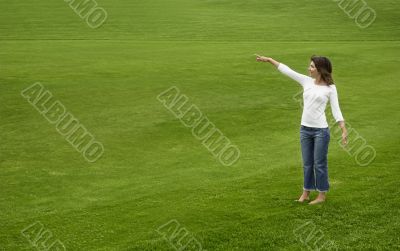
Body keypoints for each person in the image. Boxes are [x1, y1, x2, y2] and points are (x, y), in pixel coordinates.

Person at [255, 54, 348, 205]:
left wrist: (343, 129)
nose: (309, 68)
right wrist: (270, 60)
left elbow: (336, 110)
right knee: (307, 163)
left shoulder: (330, 88)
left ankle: (321, 196)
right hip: (305, 129)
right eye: (310, 66)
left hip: (321, 132)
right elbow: (287, 70)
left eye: (312, 66)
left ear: (320, 69)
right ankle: (306, 192)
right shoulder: (307, 81)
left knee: (319, 163)